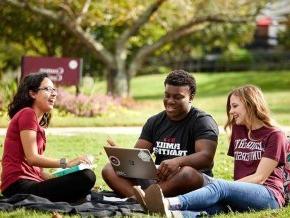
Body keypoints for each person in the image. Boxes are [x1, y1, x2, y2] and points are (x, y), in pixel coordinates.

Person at [133, 84, 288, 217]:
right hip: (242, 192)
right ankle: (173, 214)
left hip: (269, 195)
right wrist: (229, 190)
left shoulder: (275, 135)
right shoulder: (239, 130)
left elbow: (259, 178)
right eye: (230, 107)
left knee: (219, 187)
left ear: (251, 104)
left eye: (235, 106)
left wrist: (228, 188)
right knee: (212, 208)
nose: (231, 112)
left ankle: (169, 203)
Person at [102, 69, 219, 198]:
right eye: (167, 95)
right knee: (109, 169)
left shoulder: (202, 121)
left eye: (177, 97)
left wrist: (178, 162)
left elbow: (206, 158)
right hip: (159, 180)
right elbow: (139, 156)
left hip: (188, 180)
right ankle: (141, 199)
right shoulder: (154, 121)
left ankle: (145, 198)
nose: (170, 101)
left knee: (187, 173)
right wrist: (124, 158)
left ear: (191, 97)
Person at [1, 72, 96, 203]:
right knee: (87, 177)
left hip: (32, 182)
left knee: (82, 176)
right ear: (32, 93)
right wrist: (67, 163)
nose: (54, 93)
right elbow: (32, 158)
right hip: (17, 186)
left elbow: (38, 172)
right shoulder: (27, 114)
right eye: (47, 89)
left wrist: (64, 175)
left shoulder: (38, 126)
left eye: (54, 90)